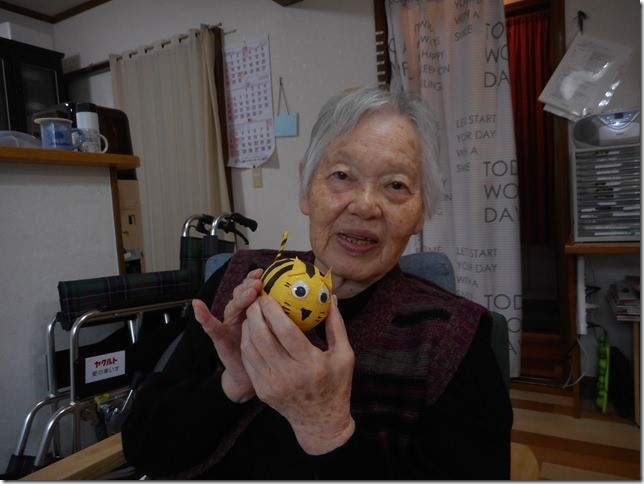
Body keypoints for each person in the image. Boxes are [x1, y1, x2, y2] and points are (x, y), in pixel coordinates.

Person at [121, 86, 513, 479]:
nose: (364, 206)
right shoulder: (238, 282)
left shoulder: (454, 340)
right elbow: (143, 445)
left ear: (420, 212)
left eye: (396, 185)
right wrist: (233, 382)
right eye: (342, 176)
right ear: (307, 190)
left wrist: (327, 426)